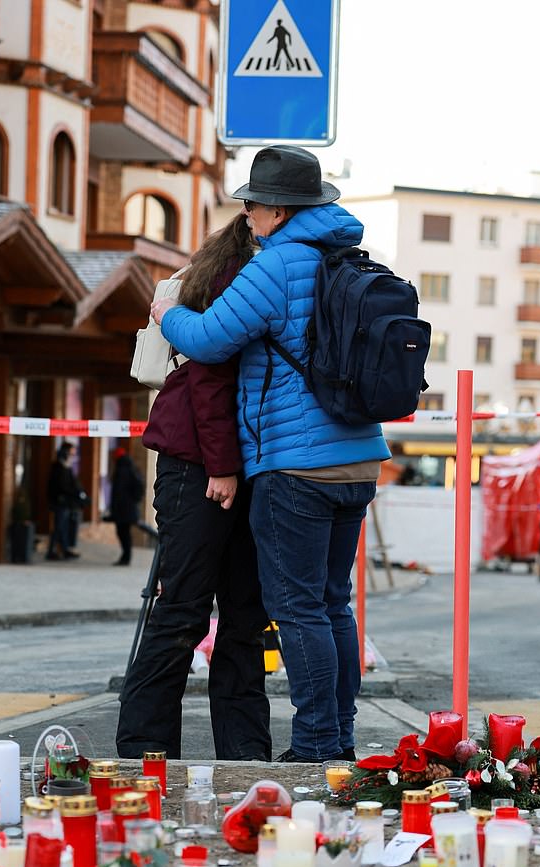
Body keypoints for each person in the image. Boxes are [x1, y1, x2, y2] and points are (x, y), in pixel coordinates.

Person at [154, 145, 391, 764]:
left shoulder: (277, 265)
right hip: (360, 459)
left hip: (296, 465)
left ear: (278, 210)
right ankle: (338, 736)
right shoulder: (349, 259)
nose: (249, 216)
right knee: (334, 602)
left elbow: (208, 339)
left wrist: (169, 312)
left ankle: (313, 746)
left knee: (296, 608)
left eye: (253, 205)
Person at [116, 213, 272, 762]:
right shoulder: (237, 274)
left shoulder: (255, 270)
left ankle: (244, 755)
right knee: (182, 610)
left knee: (244, 618)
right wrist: (223, 467)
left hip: (232, 465)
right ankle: (144, 752)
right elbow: (209, 381)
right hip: (198, 466)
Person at [46, 442, 85, 560]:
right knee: (59, 526)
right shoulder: (59, 467)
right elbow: (62, 486)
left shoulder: (66, 467)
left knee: (63, 526)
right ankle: (53, 550)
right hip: (60, 502)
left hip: (66, 502)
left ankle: (64, 549)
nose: (72, 456)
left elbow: (72, 483)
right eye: (71, 453)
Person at [109, 447, 145, 566]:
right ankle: (126, 556)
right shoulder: (132, 468)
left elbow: (118, 493)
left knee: (123, 533)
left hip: (123, 509)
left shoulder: (122, 470)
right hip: (129, 508)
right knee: (125, 533)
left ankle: (126, 557)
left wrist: (114, 509)